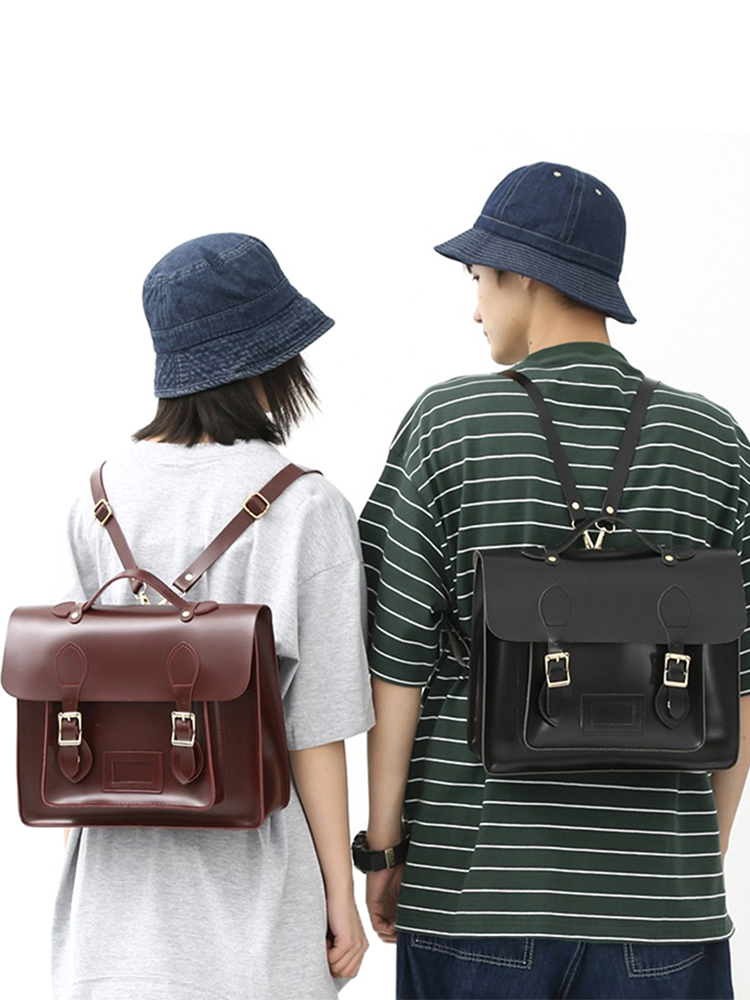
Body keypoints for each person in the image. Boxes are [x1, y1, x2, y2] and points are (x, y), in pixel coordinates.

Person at [358, 163, 750, 999]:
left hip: (473, 891)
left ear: (525, 276)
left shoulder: (448, 423)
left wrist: (384, 849)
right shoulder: (714, 440)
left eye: (477, 279)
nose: (475, 309)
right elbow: (743, 680)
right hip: (665, 908)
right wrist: (689, 866)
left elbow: (395, 662)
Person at [52, 233, 374, 1000]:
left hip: (109, 913)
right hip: (255, 916)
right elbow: (316, 729)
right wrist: (340, 894)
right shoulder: (308, 506)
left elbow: (73, 692)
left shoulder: (97, 498)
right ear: (271, 360)